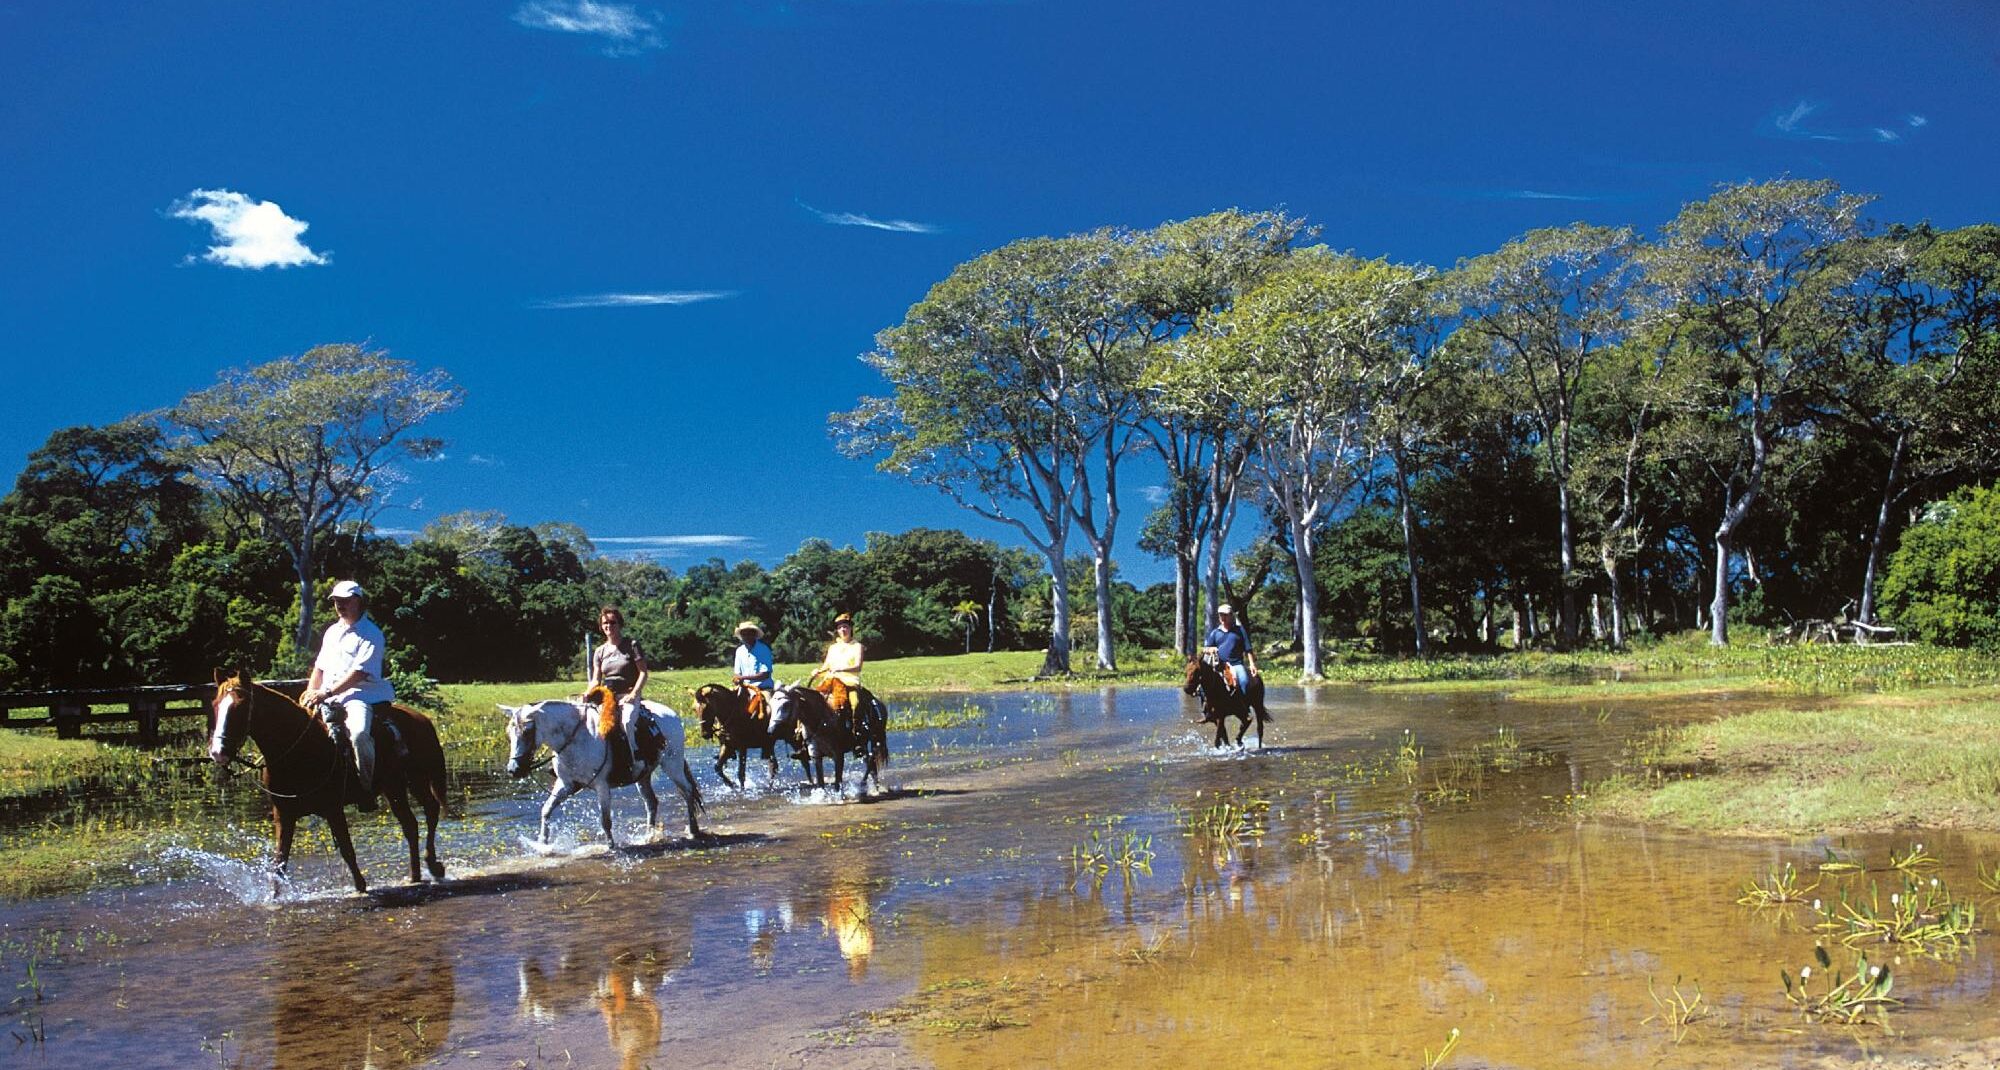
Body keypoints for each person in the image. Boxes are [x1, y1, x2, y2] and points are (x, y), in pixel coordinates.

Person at [300, 579, 395, 809]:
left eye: (344, 601)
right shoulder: (332, 632)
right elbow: (320, 667)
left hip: (360, 695)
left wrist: (325, 693)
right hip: (327, 694)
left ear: (358, 602)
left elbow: (359, 673)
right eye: (336, 601)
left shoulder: (371, 634)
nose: (339, 605)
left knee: (360, 734)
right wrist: (310, 691)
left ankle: (366, 790)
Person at [588, 606, 651, 756]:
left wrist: (634, 694)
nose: (608, 626)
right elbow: (596, 679)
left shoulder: (632, 645)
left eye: (612, 622)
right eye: (605, 623)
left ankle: (635, 754)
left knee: (627, 722)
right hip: (607, 696)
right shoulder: (599, 651)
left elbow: (643, 672)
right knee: (586, 722)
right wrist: (587, 692)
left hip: (627, 693)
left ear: (619, 624)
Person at [810, 612, 865, 719]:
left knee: (855, 703)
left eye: (845, 627)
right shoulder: (833, 648)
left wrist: (841, 669)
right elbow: (826, 667)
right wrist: (817, 672)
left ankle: (856, 728)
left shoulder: (857, 646)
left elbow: (858, 666)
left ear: (850, 629)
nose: (843, 630)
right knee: (813, 701)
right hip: (830, 680)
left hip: (849, 682)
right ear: (837, 631)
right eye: (840, 627)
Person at [1203, 603, 1259, 693]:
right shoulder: (1215, 632)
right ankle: (1207, 705)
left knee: (1244, 680)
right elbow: (1205, 649)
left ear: (1231, 616)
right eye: (1221, 615)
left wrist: (1252, 664)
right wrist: (1210, 649)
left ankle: (1243, 704)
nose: (1223, 618)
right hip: (1219, 666)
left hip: (1236, 664)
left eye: (1225, 615)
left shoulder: (1239, 630)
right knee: (1204, 684)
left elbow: (1248, 648)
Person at [731, 620, 776, 717]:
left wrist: (743, 678)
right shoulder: (739, 651)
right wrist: (737, 679)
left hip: (763, 688)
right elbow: (737, 673)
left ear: (754, 634)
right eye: (743, 634)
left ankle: (771, 731)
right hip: (744, 688)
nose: (746, 636)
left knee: (769, 712)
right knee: (726, 704)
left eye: (748, 633)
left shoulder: (763, 649)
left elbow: (765, 674)